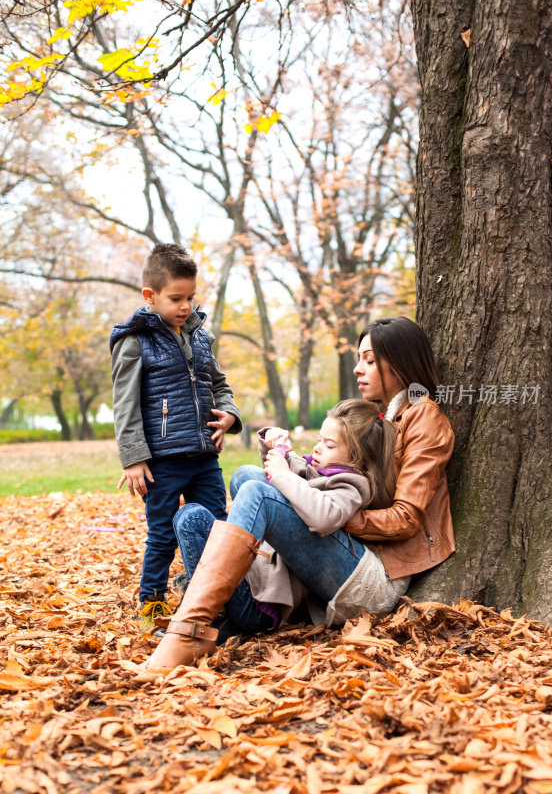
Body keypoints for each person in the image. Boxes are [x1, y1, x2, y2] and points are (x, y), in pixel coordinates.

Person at [142, 316, 455, 671]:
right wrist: (289, 463)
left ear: (399, 362)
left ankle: (189, 631)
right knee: (247, 476)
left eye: (369, 360)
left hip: (378, 574)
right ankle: (234, 601)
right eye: (358, 358)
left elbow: (407, 518)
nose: (357, 369)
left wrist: (328, 515)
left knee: (261, 494)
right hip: (352, 554)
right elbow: (331, 473)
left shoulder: (423, 417)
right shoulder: (384, 415)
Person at [144, 399, 398, 669]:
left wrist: (282, 475)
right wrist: (273, 445)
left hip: (262, 604)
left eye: (329, 445)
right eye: (320, 439)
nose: (317, 447)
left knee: (256, 490)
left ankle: (191, 627)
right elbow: (299, 473)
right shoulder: (319, 468)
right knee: (195, 511)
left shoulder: (353, 484)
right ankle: (215, 613)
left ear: (356, 458)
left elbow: (324, 515)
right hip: (251, 583)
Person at [110, 243, 241, 631]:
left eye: (191, 297)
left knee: (218, 528)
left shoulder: (201, 336)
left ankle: (213, 595)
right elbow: (125, 404)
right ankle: (151, 599)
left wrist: (230, 414)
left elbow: (220, 385)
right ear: (150, 297)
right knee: (163, 533)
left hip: (204, 457)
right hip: (162, 462)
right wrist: (133, 457)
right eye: (176, 298)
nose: (185, 306)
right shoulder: (134, 341)